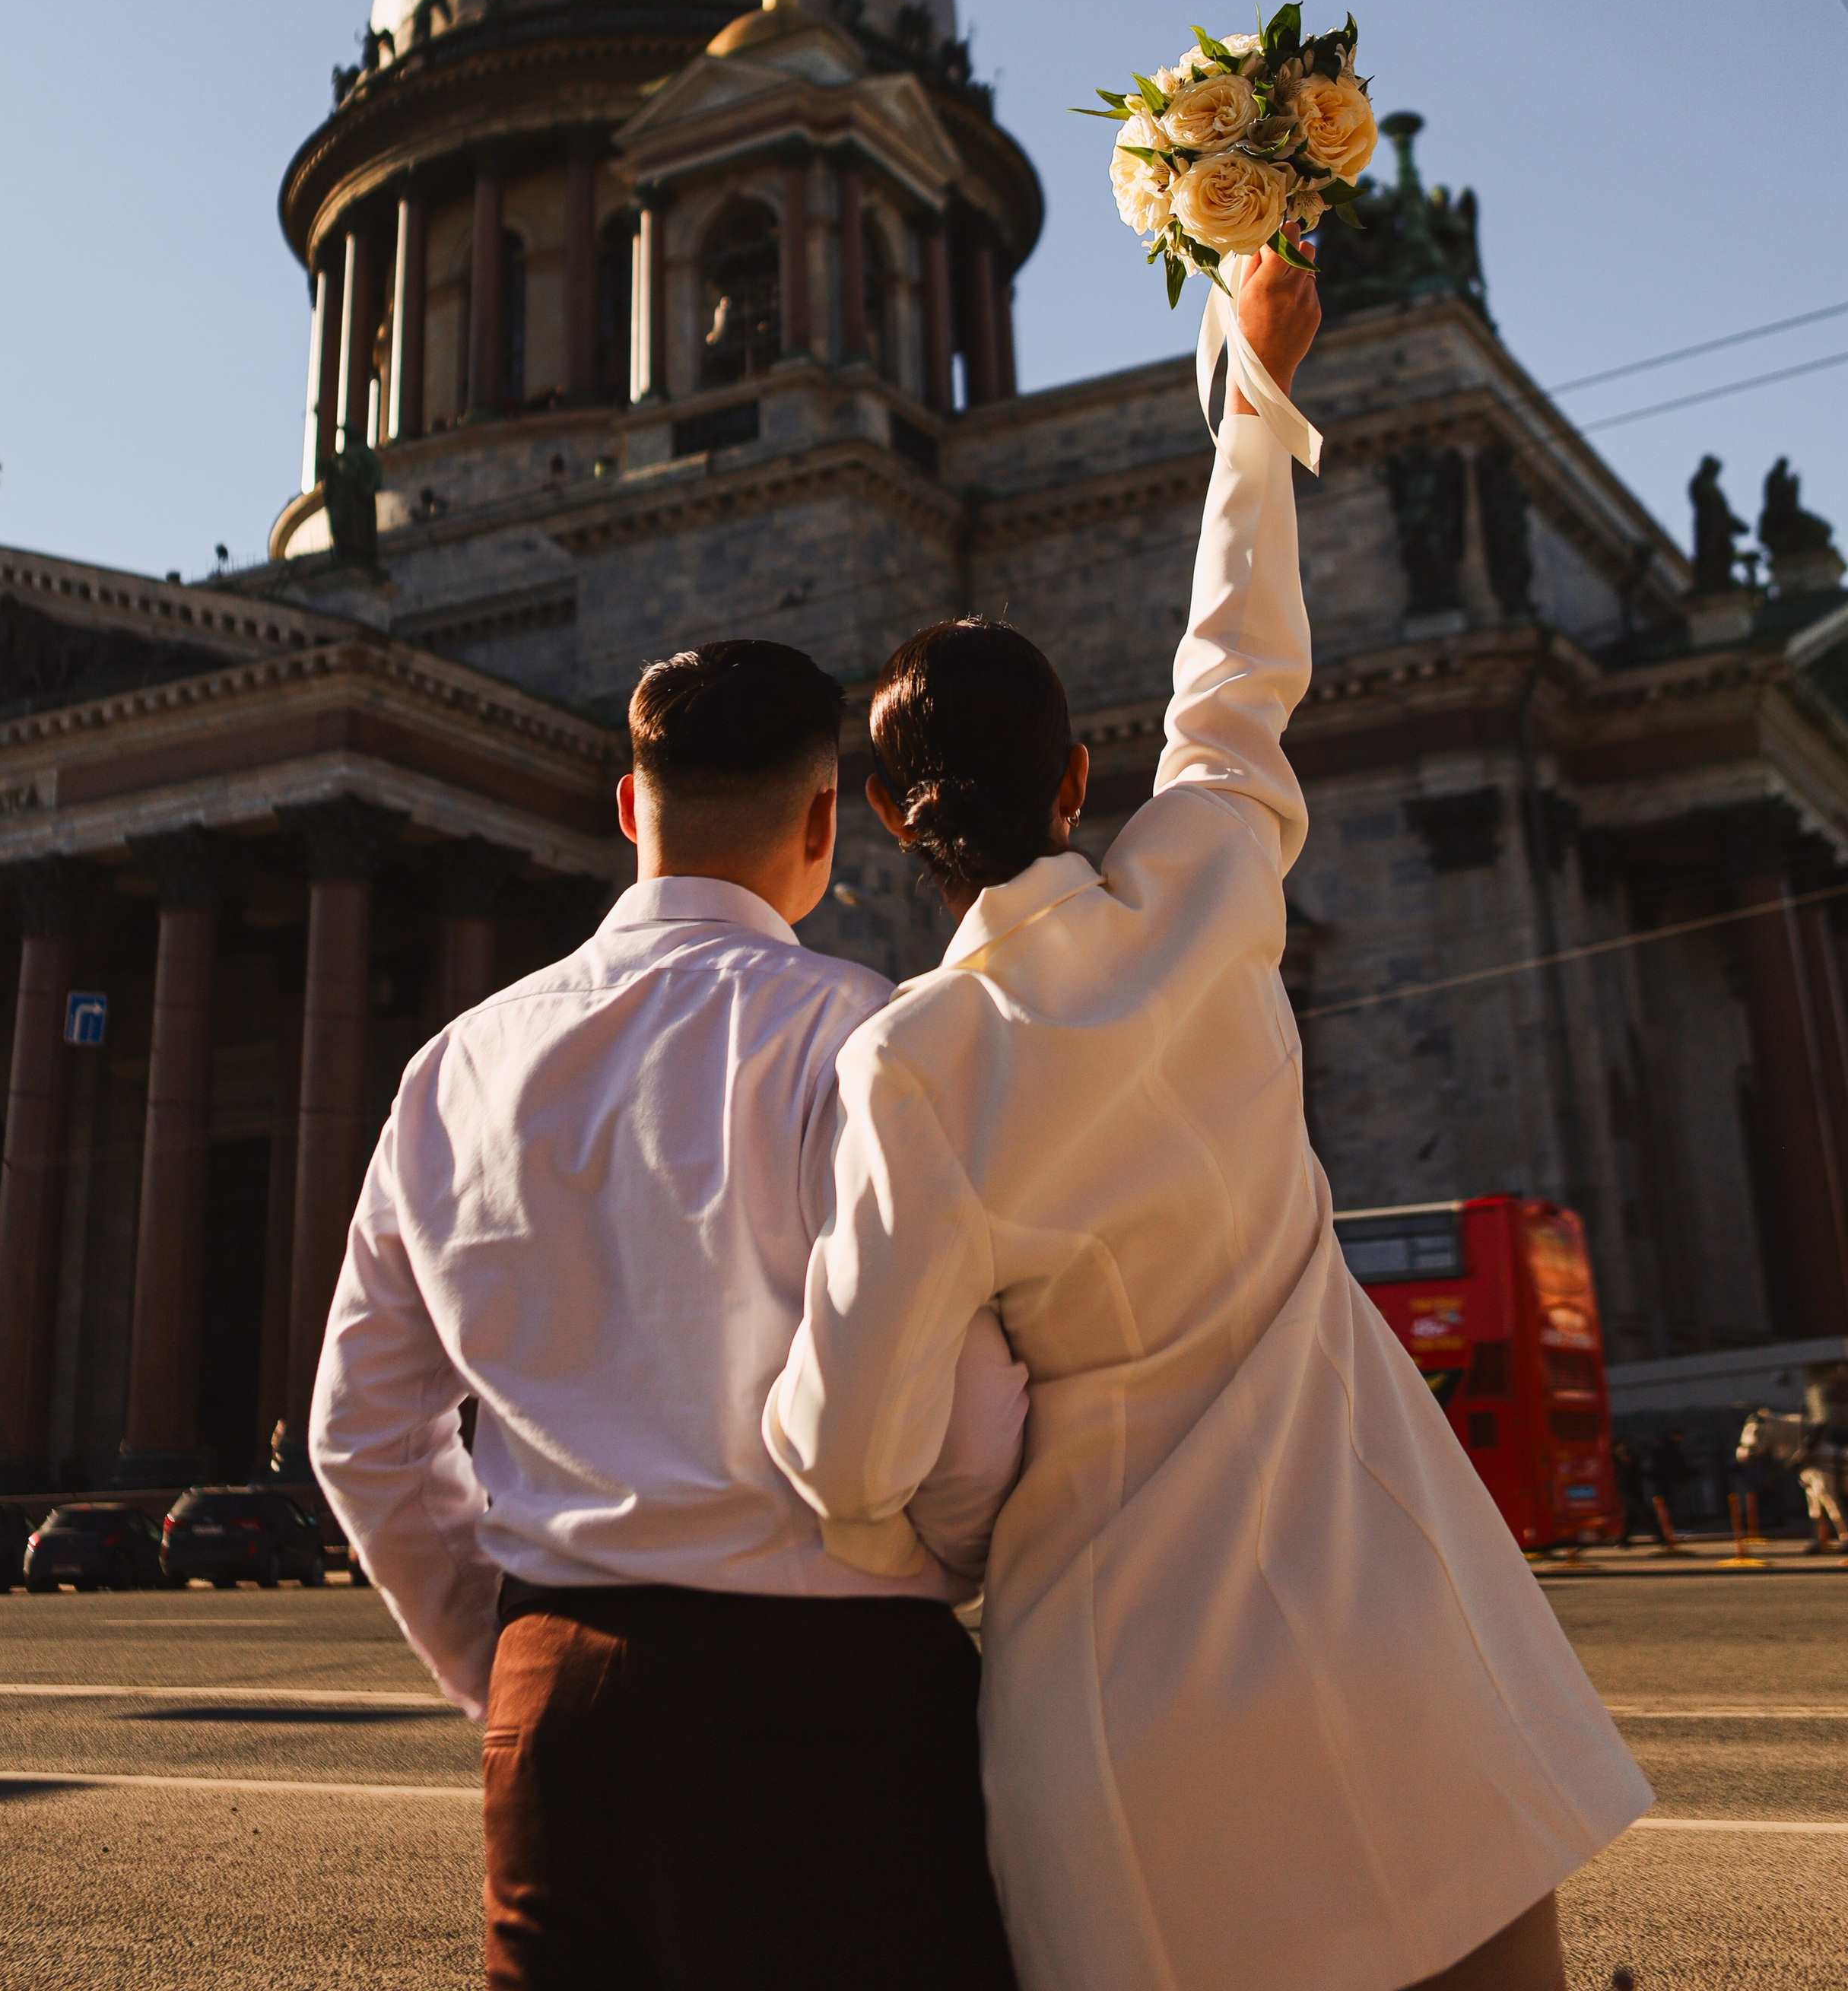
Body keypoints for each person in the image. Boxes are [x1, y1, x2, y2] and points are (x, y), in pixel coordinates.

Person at [765, 239, 1650, 1991]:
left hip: (1124, 1698)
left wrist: (940, 1531)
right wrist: (1251, 383)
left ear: (882, 819)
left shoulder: (914, 1063)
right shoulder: (1202, 882)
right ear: (1080, 778)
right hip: (1402, 1620)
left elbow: (844, 1450)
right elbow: (1236, 668)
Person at [310, 638, 1025, 1991]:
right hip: (838, 1706)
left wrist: (511, 1652)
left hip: (555, 1712)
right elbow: (968, 1407)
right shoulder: (866, 1040)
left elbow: (359, 1434)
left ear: (630, 807)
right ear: (827, 822)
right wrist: (939, 1558)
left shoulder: (453, 1067)